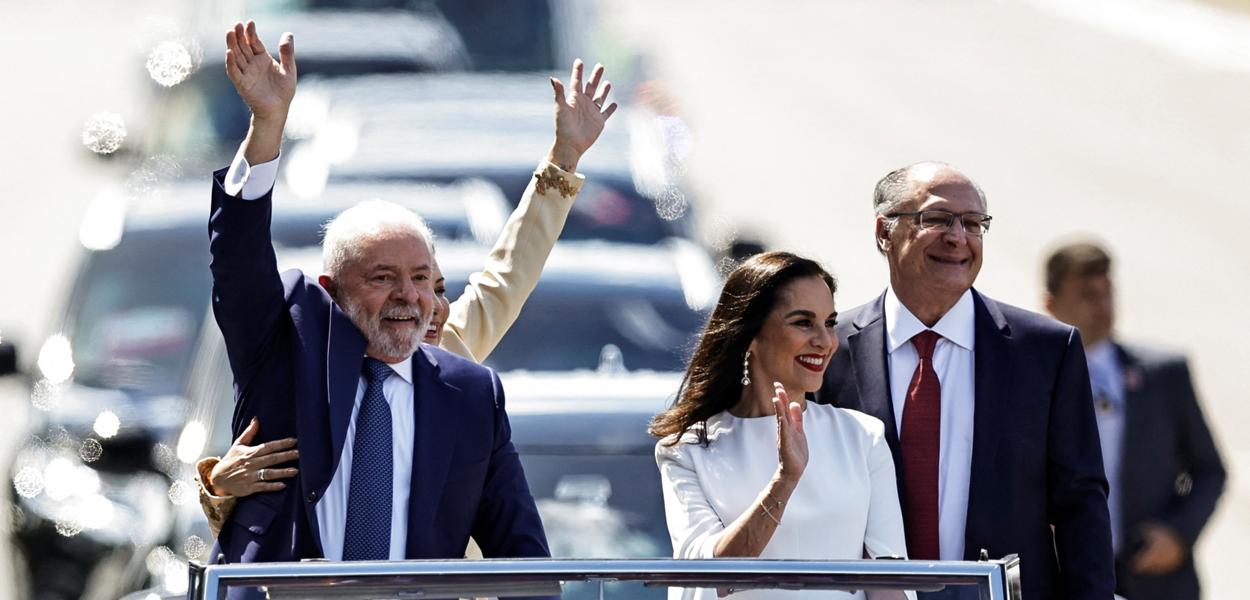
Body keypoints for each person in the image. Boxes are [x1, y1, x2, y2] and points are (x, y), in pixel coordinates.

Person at [205, 19, 617, 580]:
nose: (415, 300)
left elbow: (510, 274)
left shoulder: (461, 379)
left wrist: (564, 159)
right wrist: (268, 124)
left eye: (428, 282)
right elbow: (238, 261)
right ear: (334, 294)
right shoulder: (292, 354)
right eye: (384, 279)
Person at [818, 162, 1115, 600]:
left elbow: (1081, 505)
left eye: (973, 223)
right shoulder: (827, 349)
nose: (958, 237)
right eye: (936, 219)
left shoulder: (1047, 351)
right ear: (884, 232)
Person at [651, 252, 909, 600]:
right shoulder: (686, 450)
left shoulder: (863, 437)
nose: (825, 341)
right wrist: (785, 480)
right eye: (803, 322)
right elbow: (711, 576)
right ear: (750, 335)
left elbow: (890, 587)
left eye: (829, 322)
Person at [1043, 241, 1225, 600]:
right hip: (1066, 576)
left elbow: (1210, 469)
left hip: (1156, 580)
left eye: (1107, 292)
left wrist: (1178, 534)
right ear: (1051, 304)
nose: (1102, 306)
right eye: (1086, 294)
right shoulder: (1032, 380)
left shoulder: (1163, 375)